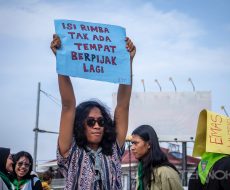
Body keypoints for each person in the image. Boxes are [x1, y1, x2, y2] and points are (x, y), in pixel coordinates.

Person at [50, 34, 136, 189]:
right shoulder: (71, 151)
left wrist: (127, 61)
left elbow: (123, 105)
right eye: (91, 122)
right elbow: (68, 106)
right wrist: (61, 59)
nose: (97, 126)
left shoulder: (114, 149)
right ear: (80, 125)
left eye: (101, 121)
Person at [131, 125, 183, 190]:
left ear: (149, 144)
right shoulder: (141, 170)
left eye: (136, 143)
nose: (132, 148)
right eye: (132, 143)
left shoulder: (166, 172)